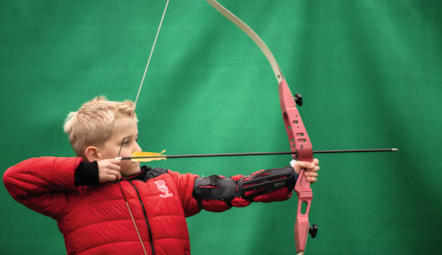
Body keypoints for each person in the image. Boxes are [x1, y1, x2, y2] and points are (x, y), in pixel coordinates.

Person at [3, 96, 320, 255]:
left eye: (136, 137)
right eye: (126, 142)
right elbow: (16, 179)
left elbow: (230, 189)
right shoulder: (73, 198)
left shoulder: (166, 182)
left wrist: (290, 175)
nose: (139, 147)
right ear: (93, 155)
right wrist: (87, 174)